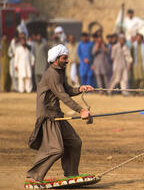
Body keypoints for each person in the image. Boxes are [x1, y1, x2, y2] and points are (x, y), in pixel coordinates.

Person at [26, 44, 93, 182]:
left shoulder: (60, 71)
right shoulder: (52, 74)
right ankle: (34, 175)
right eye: (64, 58)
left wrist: (81, 88)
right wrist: (81, 110)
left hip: (57, 115)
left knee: (75, 142)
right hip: (48, 117)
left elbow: (67, 89)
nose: (67, 61)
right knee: (56, 149)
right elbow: (63, 96)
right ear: (56, 59)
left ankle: (71, 174)